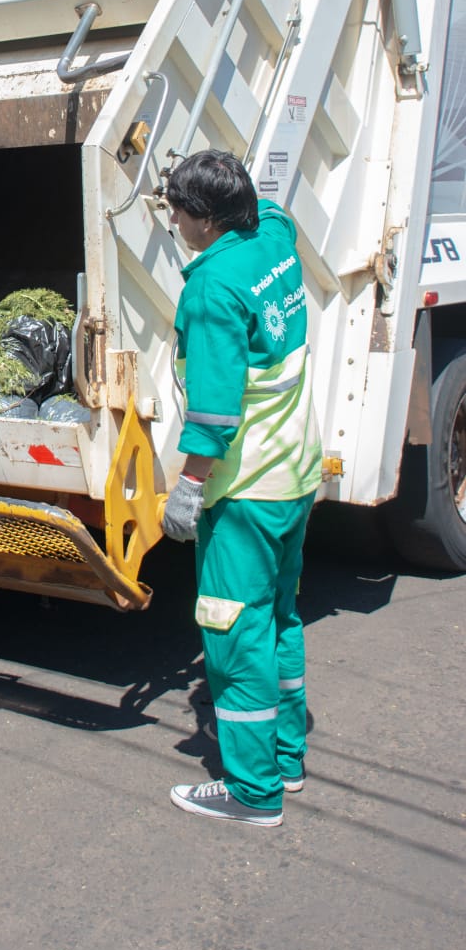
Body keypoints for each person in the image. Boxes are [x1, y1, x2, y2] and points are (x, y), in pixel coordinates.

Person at [161, 149, 322, 827]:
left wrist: (188, 489)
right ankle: (288, 758)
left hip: (246, 489)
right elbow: (277, 205)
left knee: (232, 635)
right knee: (280, 616)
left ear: (204, 219)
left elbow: (215, 410)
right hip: (296, 476)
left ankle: (254, 792)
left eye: (176, 210)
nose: (171, 220)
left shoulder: (211, 292)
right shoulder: (275, 236)